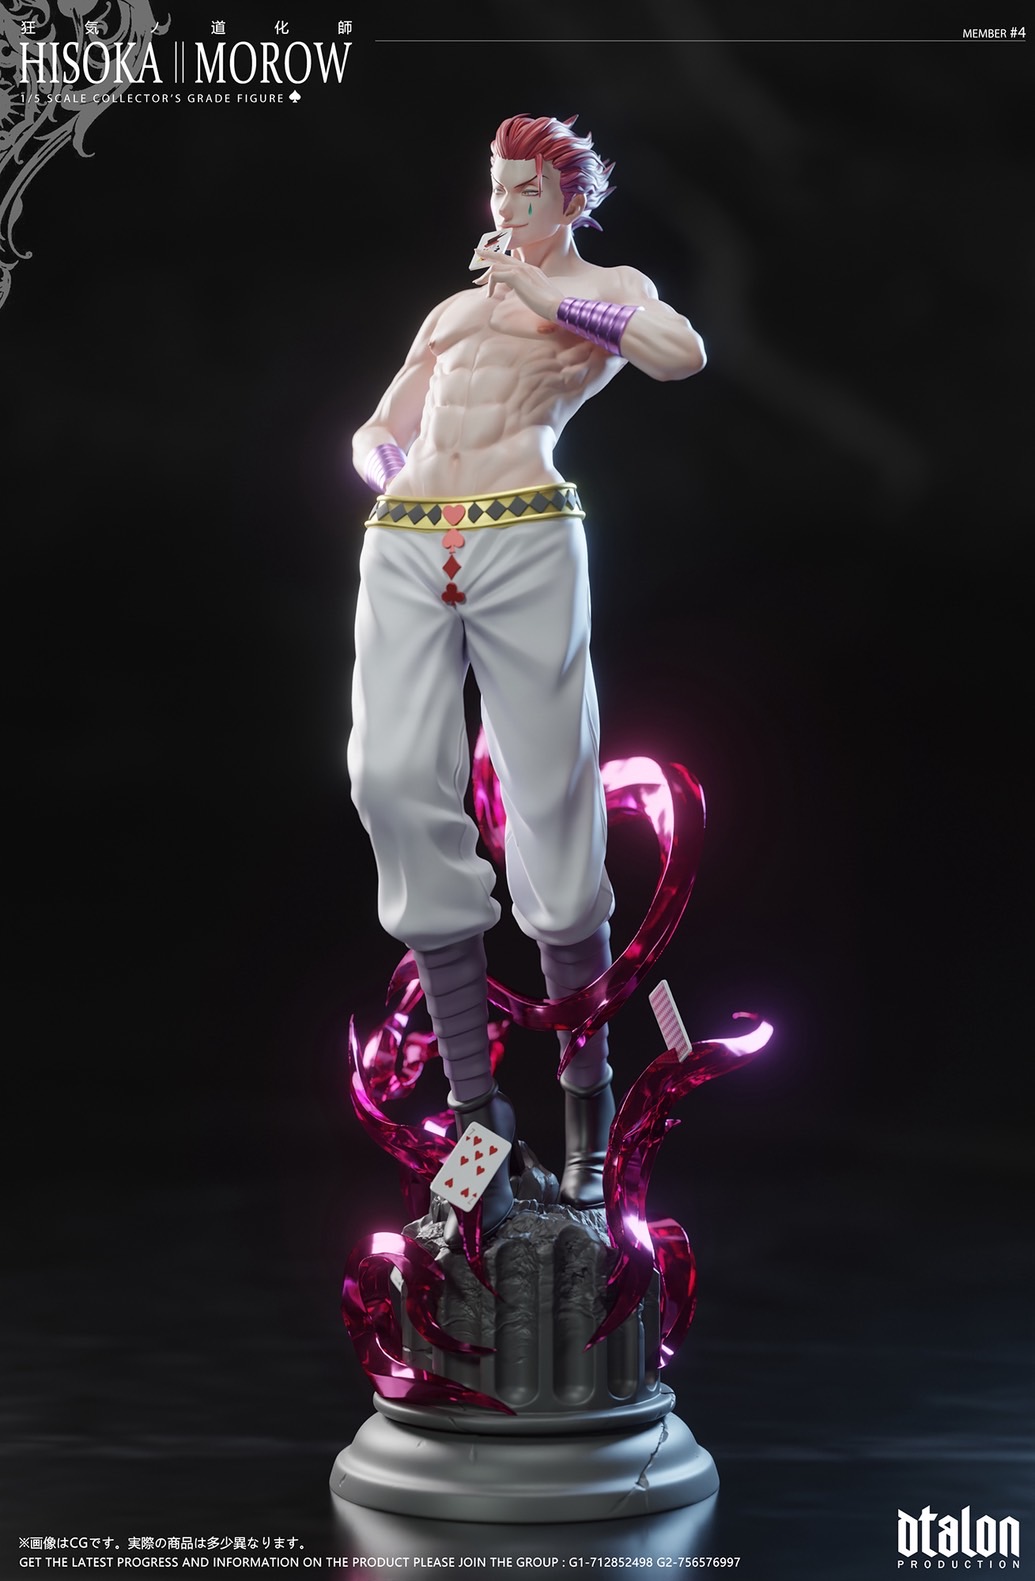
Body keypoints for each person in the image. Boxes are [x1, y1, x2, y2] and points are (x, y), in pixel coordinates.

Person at [348, 113, 705, 1240]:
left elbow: (678, 353)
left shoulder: (602, 290)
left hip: (528, 532)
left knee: (551, 804)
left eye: (527, 192)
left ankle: (589, 1114)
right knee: (392, 782)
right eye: (497, 189)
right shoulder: (451, 311)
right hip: (410, 540)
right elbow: (382, 422)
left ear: (569, 199)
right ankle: (475, 1119)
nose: (506, 209)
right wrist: (382, 460)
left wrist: (551, 299)